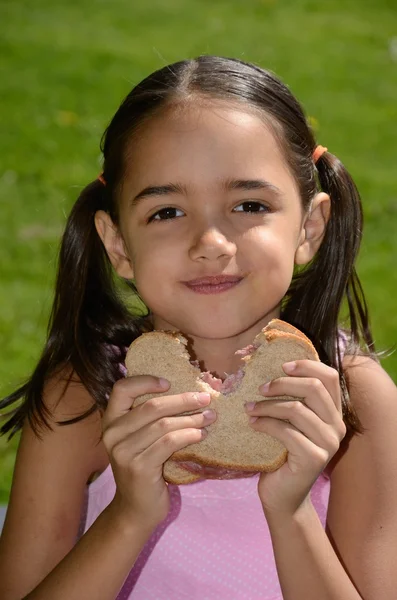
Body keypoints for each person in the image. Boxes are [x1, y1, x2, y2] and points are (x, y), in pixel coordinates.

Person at [0, 55, 396, 600]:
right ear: (118, 245)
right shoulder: (81, 398)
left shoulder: (357, 403)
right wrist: (130, 514)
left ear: (309, 227)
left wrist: (291, 510)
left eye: (248, 204)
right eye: (167, 212)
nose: (210, 242)